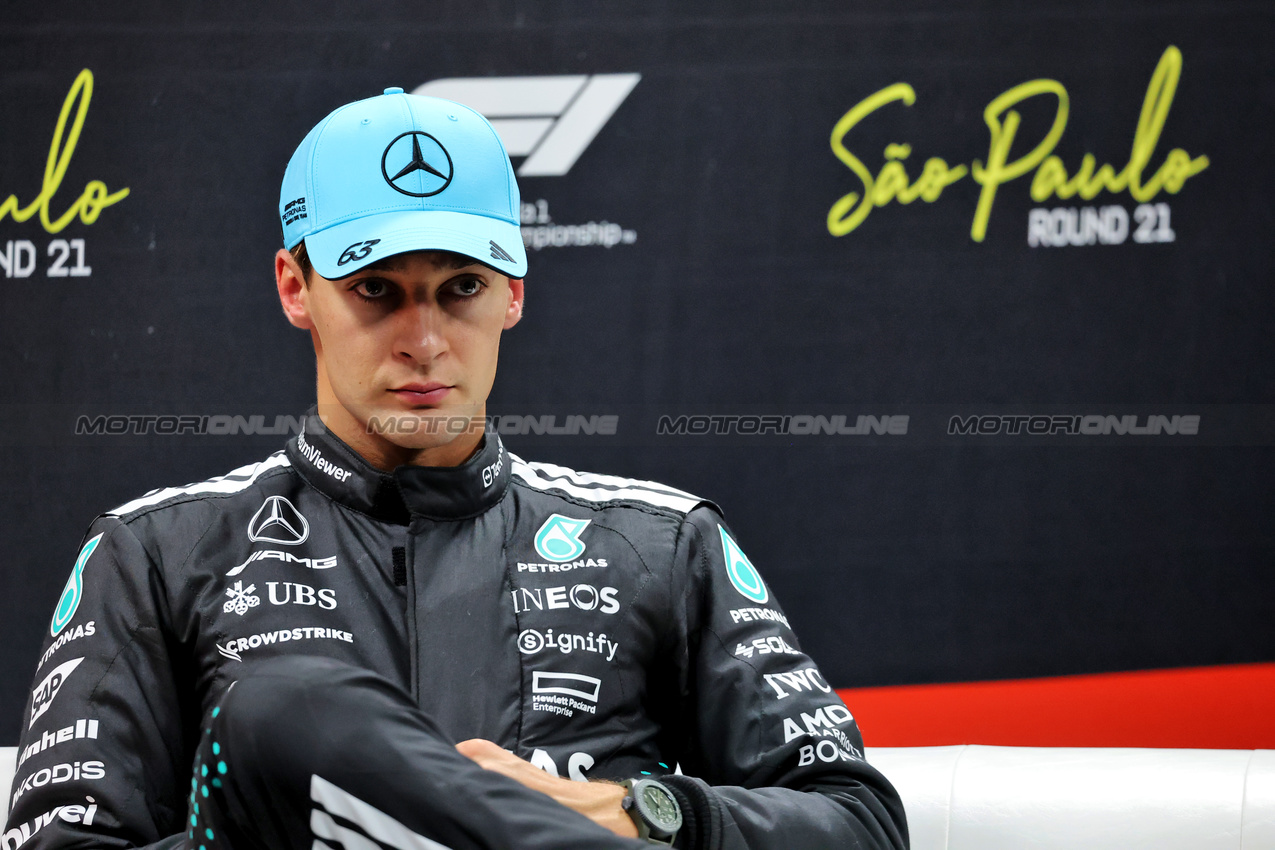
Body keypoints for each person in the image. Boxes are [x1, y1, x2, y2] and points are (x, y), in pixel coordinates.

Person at [4, 88, 908, 850]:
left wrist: (645, 812)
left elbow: (861, 823)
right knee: (286, 715)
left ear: (513, 291)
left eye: (460, 287)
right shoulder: (153, 553)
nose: (426, 340)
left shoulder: (662, 544)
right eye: (377, 290)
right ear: (294, 287)